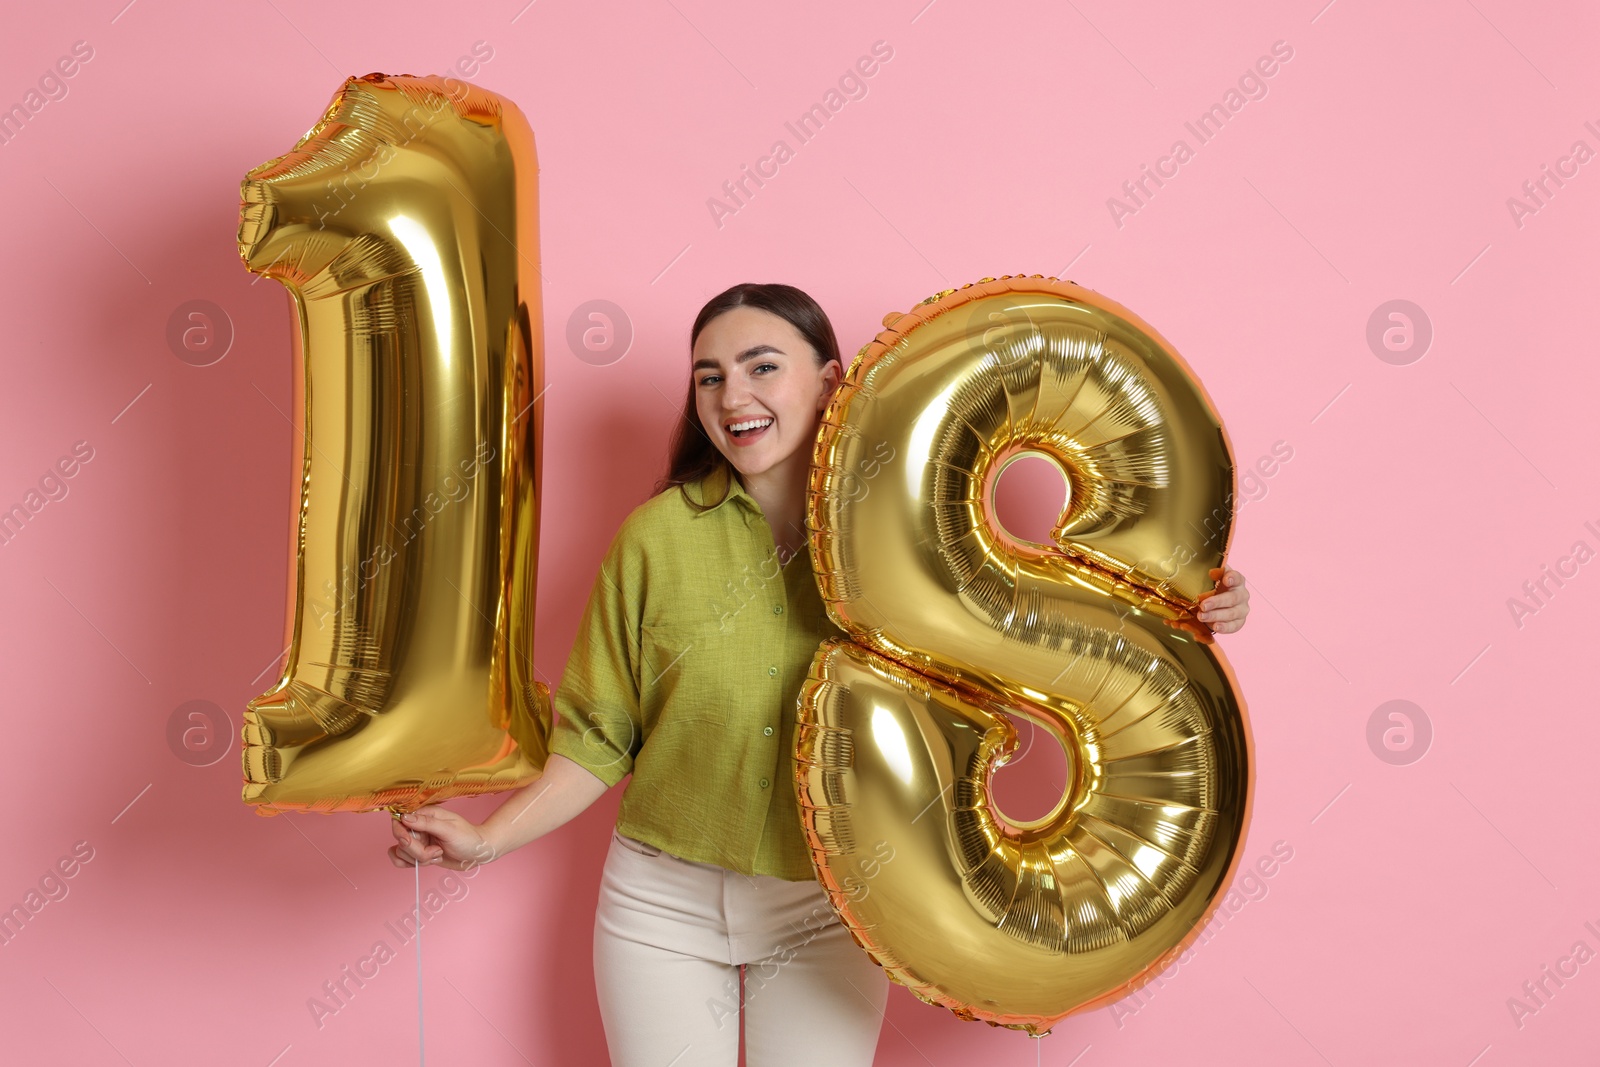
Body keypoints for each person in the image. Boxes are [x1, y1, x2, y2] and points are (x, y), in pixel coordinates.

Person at [387, 282, 1253, 1065]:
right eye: (710, 377)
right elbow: (599, 737)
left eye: (763, 366)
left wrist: (1185, 611)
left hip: (832, 907)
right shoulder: (654, 539)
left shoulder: (932, 549)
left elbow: (1055, 644)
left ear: (833, 380)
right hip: (659, 901)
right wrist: (486, 839)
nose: (734, 396)